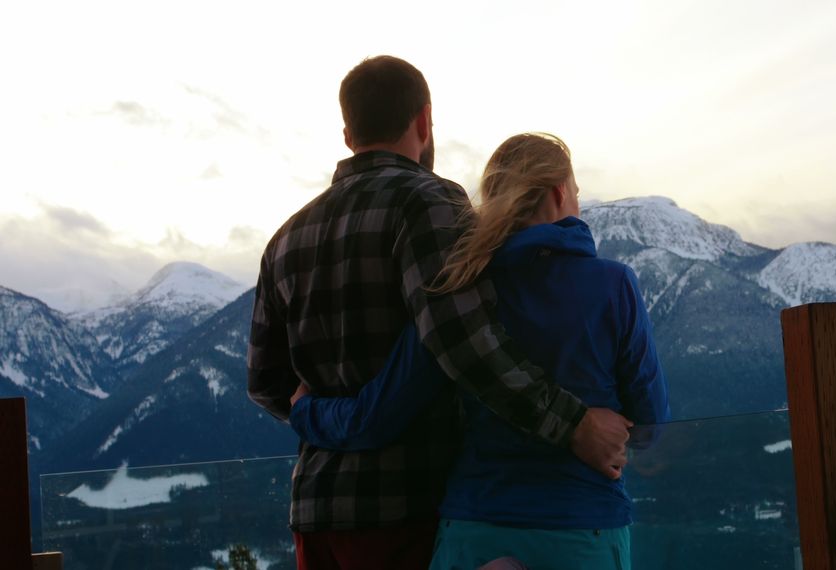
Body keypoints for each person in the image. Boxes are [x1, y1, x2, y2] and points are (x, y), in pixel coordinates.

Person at [247, 57, 632, 570]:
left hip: (316, 517)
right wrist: (575, 424)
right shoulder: (428, 202)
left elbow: (267, 381)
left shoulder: (286, 238)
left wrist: (318, 416)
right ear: (424, 121)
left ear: (347, 133)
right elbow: (464, 342)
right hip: (405, 509)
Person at [290, 133, 671, 569]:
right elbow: (650, 425)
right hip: (582, 527)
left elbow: (377, 416)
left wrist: (306, 411)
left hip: (474, 530)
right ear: (559, 192)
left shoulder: (457, 291)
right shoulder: (613, 286)